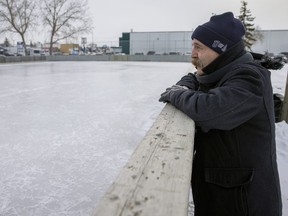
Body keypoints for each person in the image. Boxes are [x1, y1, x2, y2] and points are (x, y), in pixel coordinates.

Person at [159, 12, 282, 216]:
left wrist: (178, 94)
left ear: (221, 50)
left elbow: (211, 109)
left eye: (199, 47)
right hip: (223, 195)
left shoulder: (249, 77)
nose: (193, 53)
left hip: (244, 202)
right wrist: (183, 87)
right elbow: (194, 78)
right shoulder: (221, 73)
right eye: (193, 46)